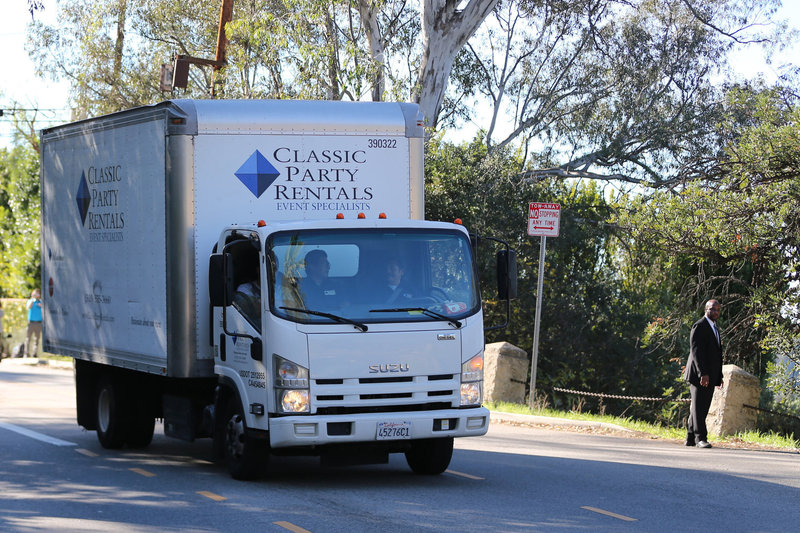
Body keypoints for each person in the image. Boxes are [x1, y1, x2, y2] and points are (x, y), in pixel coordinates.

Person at [683, 299, 724, 449]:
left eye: (718, 310)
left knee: (700, 407)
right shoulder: (699, 326)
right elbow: (696, 352)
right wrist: (703, 373)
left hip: (710, 375)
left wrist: (719, 376)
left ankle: (689, 437)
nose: (715, 312)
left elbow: (716, 355)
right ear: (706, 309)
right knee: (700, 408)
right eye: (712, 309)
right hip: (699, 375)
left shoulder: (714, 328)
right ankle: (700, 438)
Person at [26, 289, 43, 358]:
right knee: (28, 339)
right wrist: (33, 299)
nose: (37, 295)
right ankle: (26, 353)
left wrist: (41, 306)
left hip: (39, 323)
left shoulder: (41, 302)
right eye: (35, 294)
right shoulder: (30, 301)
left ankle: (34, 353)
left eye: (38, 294)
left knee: (37, 339)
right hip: (31, 323)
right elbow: (29, 307)